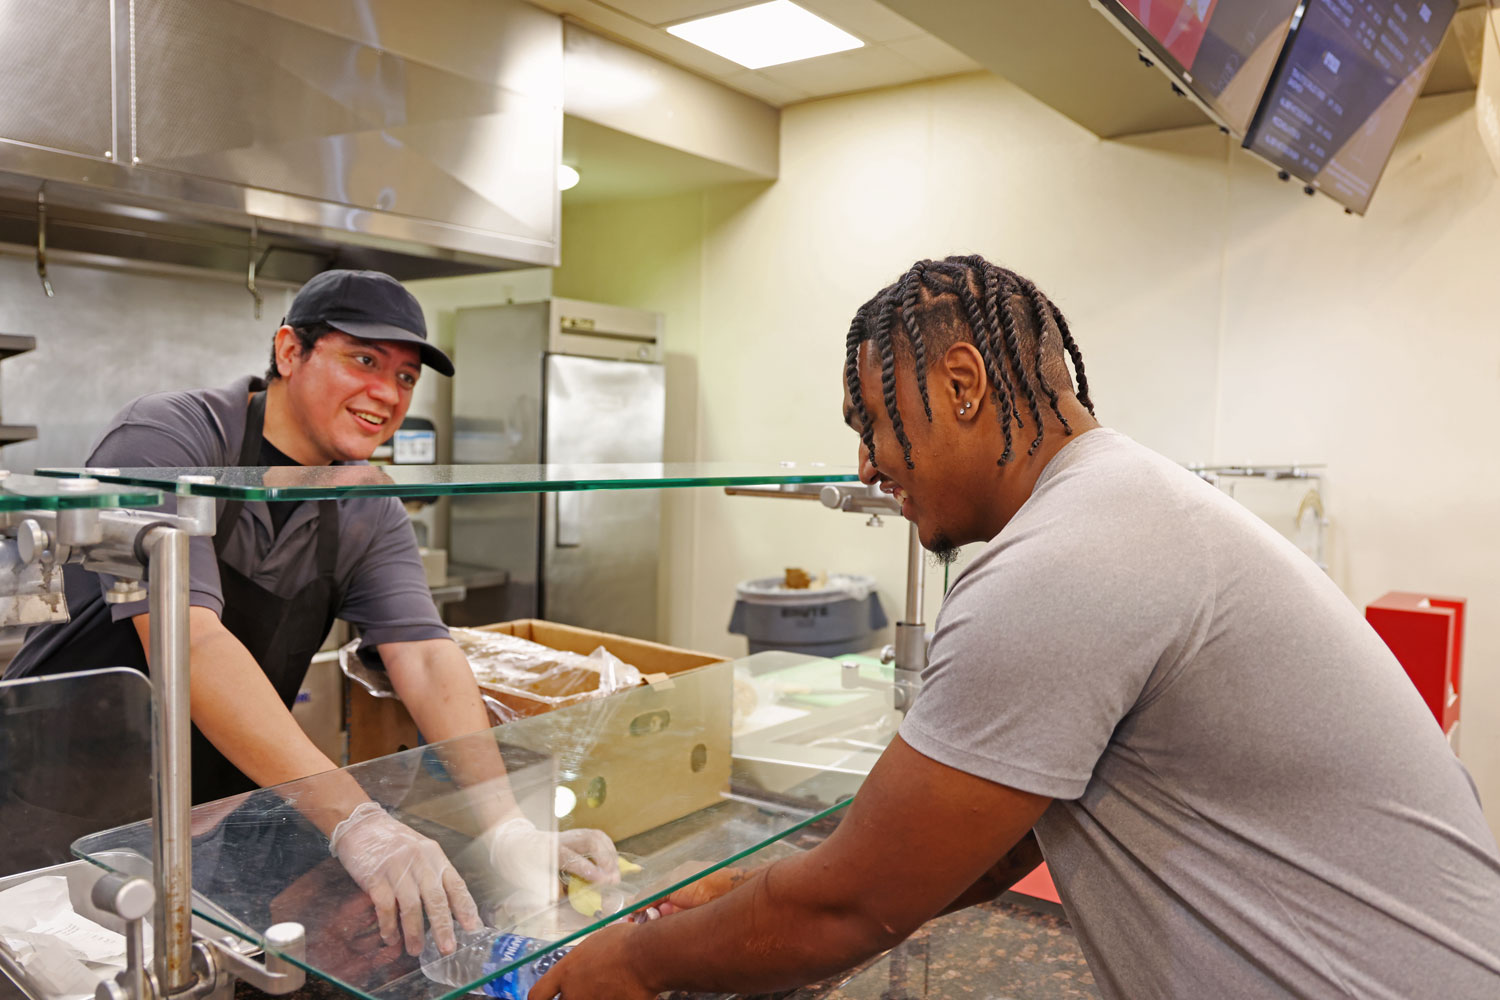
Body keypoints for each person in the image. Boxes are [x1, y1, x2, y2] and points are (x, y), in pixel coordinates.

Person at [528, 255, 1500, 1000]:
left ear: (962, 383)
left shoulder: (1062, 563)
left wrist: (637, 958)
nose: (866, 464)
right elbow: (991, 841)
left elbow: (857, 901)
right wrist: (756, 904)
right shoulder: (1124, 504)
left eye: (870, 421)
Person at [3, 269, 615, 958]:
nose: (388, 394)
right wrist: (355, 818)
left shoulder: (363, 498)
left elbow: (425, 655)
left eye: (407, 377)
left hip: (208, 816)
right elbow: (191, 643)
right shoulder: (168, 436)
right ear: (290, 351)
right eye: (365, 360)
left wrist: (508, 827)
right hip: (55, 806)